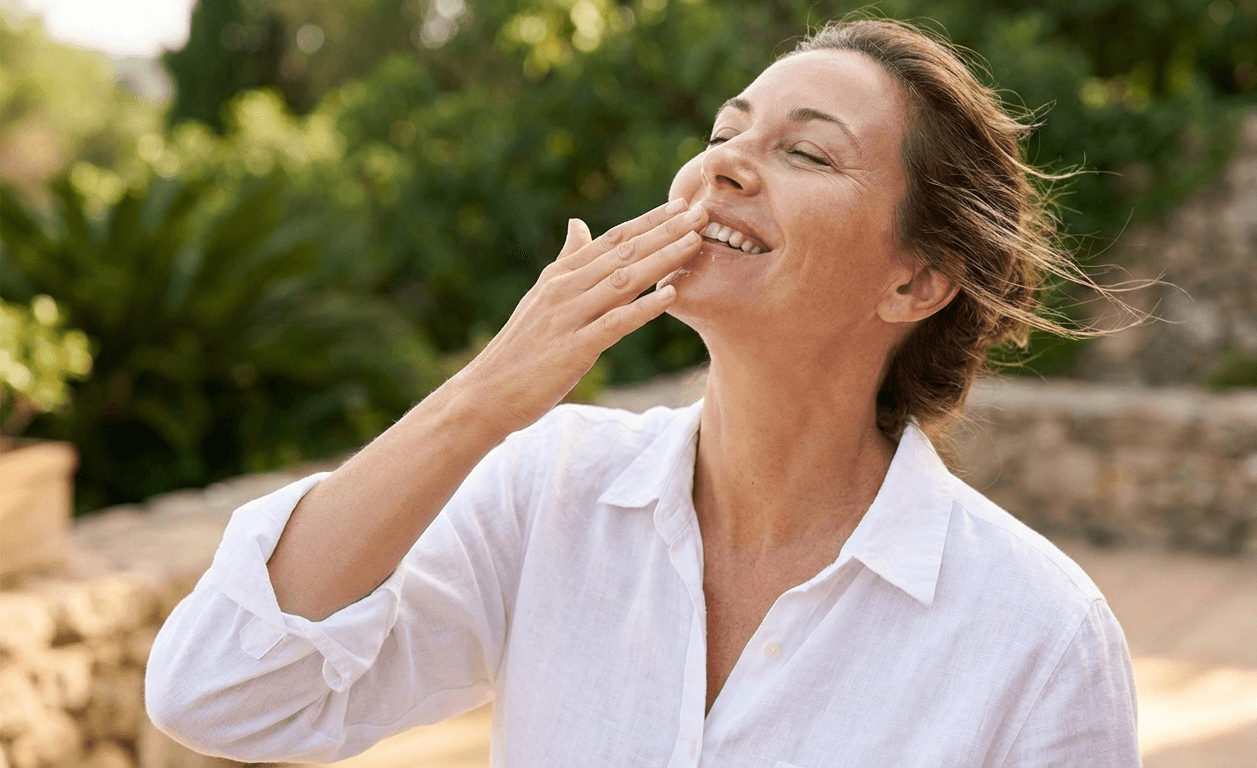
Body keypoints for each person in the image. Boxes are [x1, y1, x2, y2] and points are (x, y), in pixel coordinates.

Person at [146, 17, 1141, 768]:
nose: (723, 165)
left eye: (805, 151)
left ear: (914, 281)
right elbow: (223, 691)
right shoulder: (547, 492)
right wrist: (485, 396)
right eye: (723, 132)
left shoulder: (1038, 635)